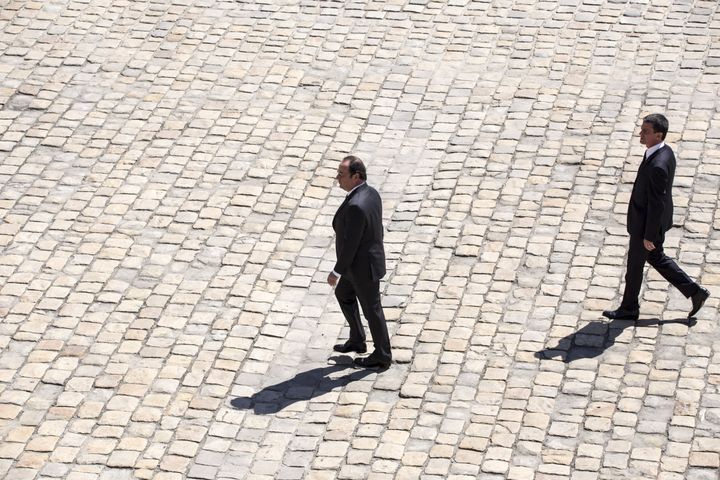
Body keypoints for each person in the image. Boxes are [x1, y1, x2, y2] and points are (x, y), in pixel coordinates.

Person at [603, 114, 709, 321]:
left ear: (658, 135)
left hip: (646, 226)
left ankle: (629, 308)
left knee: (635, 266)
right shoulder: (664, 152)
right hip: (651, 223)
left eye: (646, 132)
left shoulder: (658, 165)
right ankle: (694, 292)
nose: (641, 134)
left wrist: (649, 235)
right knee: (655, 257)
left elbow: (656, 203)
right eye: (642, 129)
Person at [327, 155, 392, 369]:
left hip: (362, 268)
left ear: (356, 177)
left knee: (372, 309)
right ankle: (357, 339)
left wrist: (336, 272)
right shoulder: (370, 193)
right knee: (343, 294)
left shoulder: (356, 205)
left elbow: (350, 245)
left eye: (341, 174)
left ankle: (382, 355)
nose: (337, 178)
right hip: (360, 264)